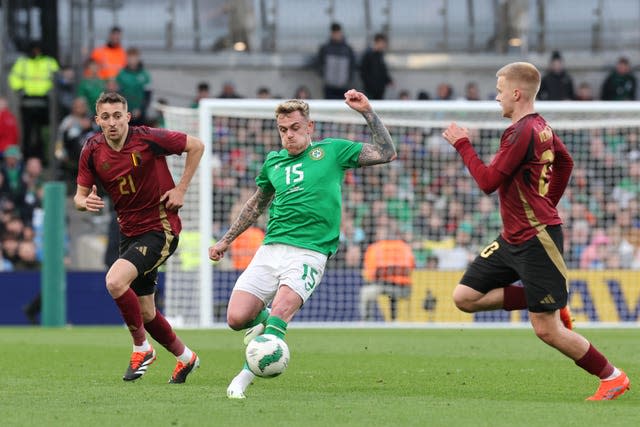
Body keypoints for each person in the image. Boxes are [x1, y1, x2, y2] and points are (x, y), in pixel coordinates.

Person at [442, 61, 630, 401]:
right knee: (465, 298)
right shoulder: (540, 126)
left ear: (516, 93)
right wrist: (548, 203)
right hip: (515, 236)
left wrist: (462, 144)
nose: (496, 97)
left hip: (536, 239)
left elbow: (487, 182)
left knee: (546, 330)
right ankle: (549, 301)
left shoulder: (521, 132)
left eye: (499, 91)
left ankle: (612, 376)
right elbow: (565, 162)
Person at [209, 89, 397, 399]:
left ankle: (243, 378)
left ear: (309, 127)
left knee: (281, 313)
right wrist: (225, 241)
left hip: (309, 253)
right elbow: (256, 205)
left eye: (295, 128)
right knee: (236, 319)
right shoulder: (273, 163)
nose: (289, 135)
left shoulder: (333, 151)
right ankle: (267, 325)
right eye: (283, 130)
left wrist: (367, 112)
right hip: (271, 249)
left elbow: (386, 153)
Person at [74, 92, 204, 383]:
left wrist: (181, 188)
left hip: (161, 228)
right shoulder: (92, 149)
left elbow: (196, 145)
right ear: (97, 120)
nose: (112, 122)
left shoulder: (148, 138)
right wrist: (85, 202)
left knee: (115, 281)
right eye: (105, 117)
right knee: (146, 311)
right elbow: (79, 196)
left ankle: (141, 348)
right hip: (129, 232)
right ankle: (186, 358)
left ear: (127, 117)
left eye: (117, 116)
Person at [7, 40, 60, 162]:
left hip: (45, 102)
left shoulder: (48, 61)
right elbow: (13, 77)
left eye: (38, 49)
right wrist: (20, 89)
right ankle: (27, 157)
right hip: (28, 101)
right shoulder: (23, 62)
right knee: (28, 131)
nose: (36, 51)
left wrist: (51, 90)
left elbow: (57, 76)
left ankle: (44, 157)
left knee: (44, 132)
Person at [360, 225, 415, 321]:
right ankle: (395, 320)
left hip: (389, 286)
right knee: (374, 293)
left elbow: (369, 274)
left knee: (366, 293)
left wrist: (384, 274)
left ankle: (366, 321)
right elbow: (410, 268)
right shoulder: (405, 247)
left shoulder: (374, 248)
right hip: (401, 287)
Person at [316, 22, 356, 99]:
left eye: (337, 32)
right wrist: (324, 75)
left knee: (343, 108)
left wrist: (348, 80)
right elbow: (319, 63)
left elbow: (352, 66)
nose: (336, 35)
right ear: (331, 33)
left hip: (344, 87)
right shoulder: (325, 48)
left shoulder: (348, 49)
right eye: (334, 33)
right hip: (329, 87)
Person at [116, 47, 152, 125]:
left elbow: (148, 95)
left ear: (138, 58)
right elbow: (118, 95)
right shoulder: (121, 75)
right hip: (125, 114)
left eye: (134, 57)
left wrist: (141, 110)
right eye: (130, 57)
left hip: (140, 114)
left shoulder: (145, 75)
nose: (132, 60)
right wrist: (124, 110)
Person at [359, 33, 393, 100]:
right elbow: (363, 72)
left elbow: (383, 71)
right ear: (377, 42)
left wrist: (388, 80)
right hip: (370, 90)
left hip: (380, 89)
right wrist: (368, 85)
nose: (384, 45)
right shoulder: (368, 55)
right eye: (383, 43)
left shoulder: (380, 55)